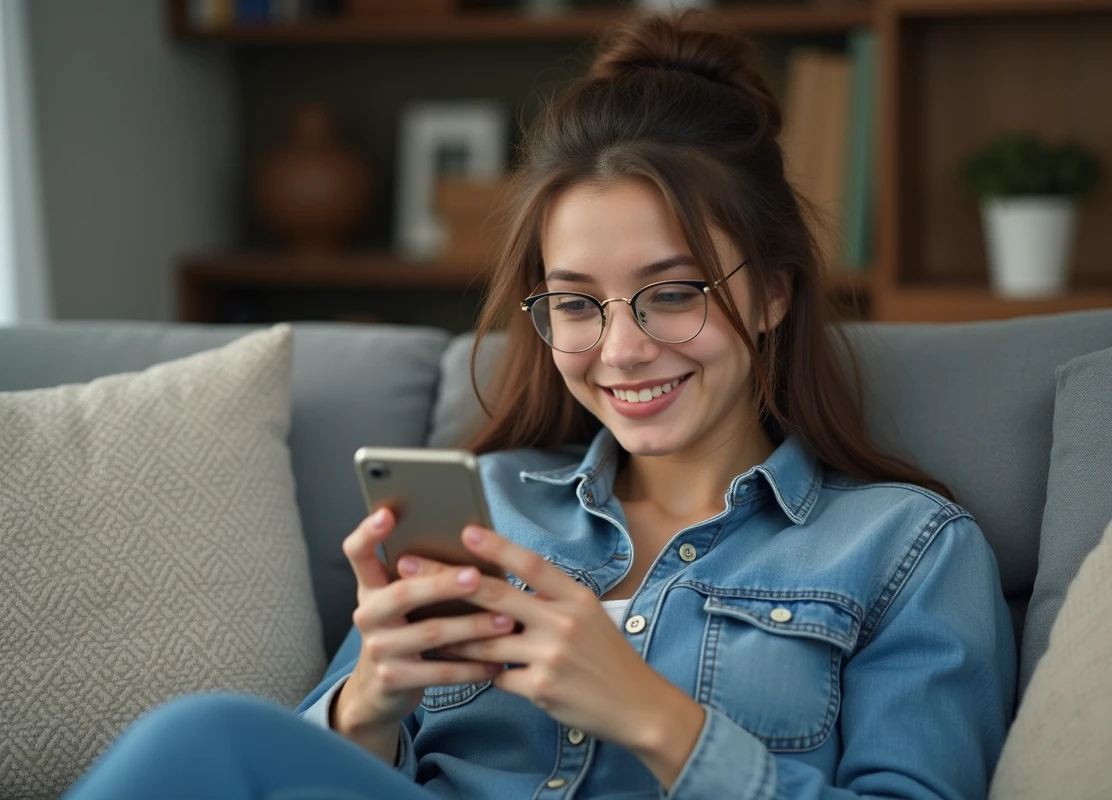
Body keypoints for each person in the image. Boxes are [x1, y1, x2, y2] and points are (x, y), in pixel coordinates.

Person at [66, 9, 1016, 799]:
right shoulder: (491, 505)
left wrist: (650, 715)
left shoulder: (907, 550)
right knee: (209, 739)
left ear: (771, 291)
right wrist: (371, 700)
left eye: (673, 292)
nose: (621, 348)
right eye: (575, 304)